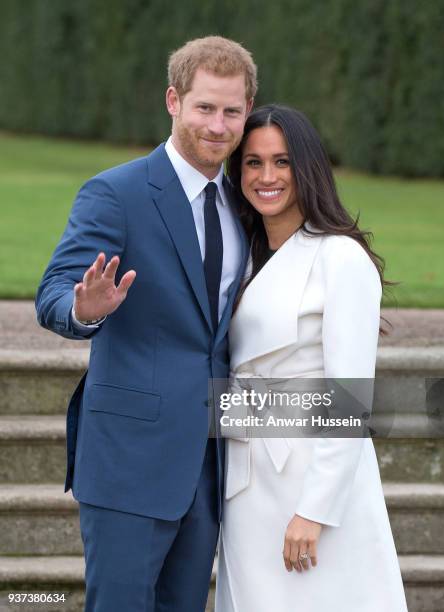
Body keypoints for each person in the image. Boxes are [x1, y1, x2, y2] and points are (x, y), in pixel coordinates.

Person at [35, 36, 256, 612]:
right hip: (129, 463)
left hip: (209, 468)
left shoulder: (243, 205)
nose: (218, 124)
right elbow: (54, 293)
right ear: (173, 101)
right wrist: (85, 310)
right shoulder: (117, 192)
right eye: (205, 106)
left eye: (232, 111)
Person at [215, 105, 408, 611]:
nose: (267, 177)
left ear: (307, 169)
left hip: (311, 482)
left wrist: (315, 510)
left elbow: (350, 397)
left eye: (282, 162)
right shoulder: (243, 257)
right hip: (247, 477)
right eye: (252, 163)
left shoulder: (339, 258)